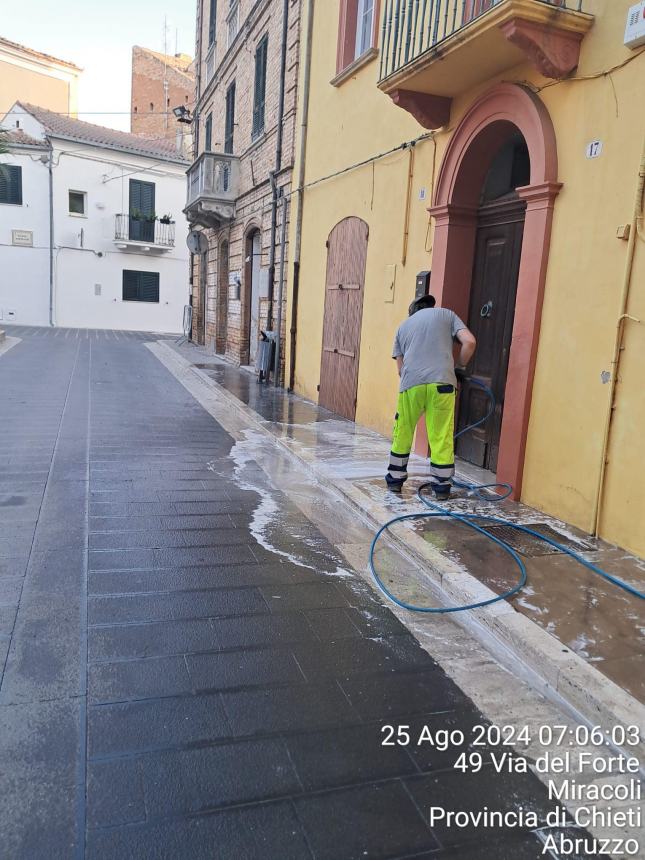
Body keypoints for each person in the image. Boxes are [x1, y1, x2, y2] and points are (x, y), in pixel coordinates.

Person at [386, 294, 476, 499]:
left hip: (411, 386)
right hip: (442, 384)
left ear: (413, 311)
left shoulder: (403, 326)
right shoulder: (448, 315)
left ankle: (395, 482)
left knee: (403, 431)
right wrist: (459, 367)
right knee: (441, 434)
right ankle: (442, 488)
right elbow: (469, 342)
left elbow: (400, 369)